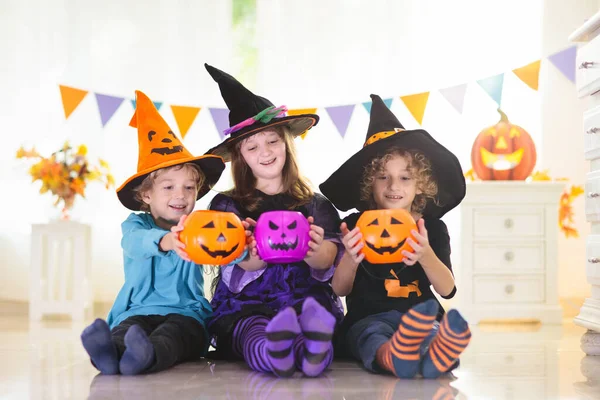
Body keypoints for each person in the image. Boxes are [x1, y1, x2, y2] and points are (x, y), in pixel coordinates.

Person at [204, 63, 344, 378]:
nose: (265, 152)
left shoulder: (314, 204)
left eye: (272, 142)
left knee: (310, 320)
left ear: (286, 143)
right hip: (249, 304)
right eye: (252, 147)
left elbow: (328, 262)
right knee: (253, 329)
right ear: (240, 156)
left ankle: (313, 354)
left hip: (304, 297)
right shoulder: (228, 206)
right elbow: (233, 264)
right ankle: (271, 354)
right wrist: (251, 255)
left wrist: (316, 250)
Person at [320, 94, 471, 379]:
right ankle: (390, 356)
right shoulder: (355, 224)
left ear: (421, 184)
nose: (393, 186)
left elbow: (448, 289)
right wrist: (351, 258)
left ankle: (434, 356)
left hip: (422, 316)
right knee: (371, 336)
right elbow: (339, 289)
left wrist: (426, 256)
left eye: (405, 177)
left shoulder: (432, 228)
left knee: (434, 333)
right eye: (382, 177)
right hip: (368, 318)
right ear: (369, 182)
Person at [80, 90, 225, 375]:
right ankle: (108, 355)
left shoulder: (200, 225)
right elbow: (135, 244)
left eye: (189, 187)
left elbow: (223, 250)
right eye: (168, 187)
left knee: (172, 335)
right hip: (137, 310)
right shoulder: (135, 225)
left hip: (187, 314)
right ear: (146, 195)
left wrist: (241, 244)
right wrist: (167, 240)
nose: (180, 195)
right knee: (127, 330)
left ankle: (143, 357)